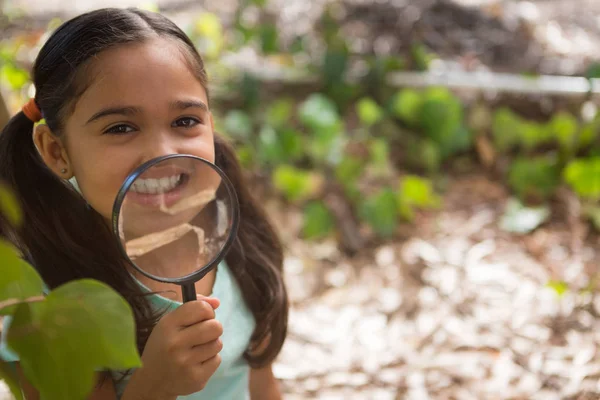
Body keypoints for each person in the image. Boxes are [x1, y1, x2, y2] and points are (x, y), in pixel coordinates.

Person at [0, 7, 288, 400]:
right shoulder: (44, 305)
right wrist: (152, 387)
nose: (162, 152)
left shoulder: (239, 240)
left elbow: (262, 385)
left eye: (185, 121)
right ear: (56, 151)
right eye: (120, 127)